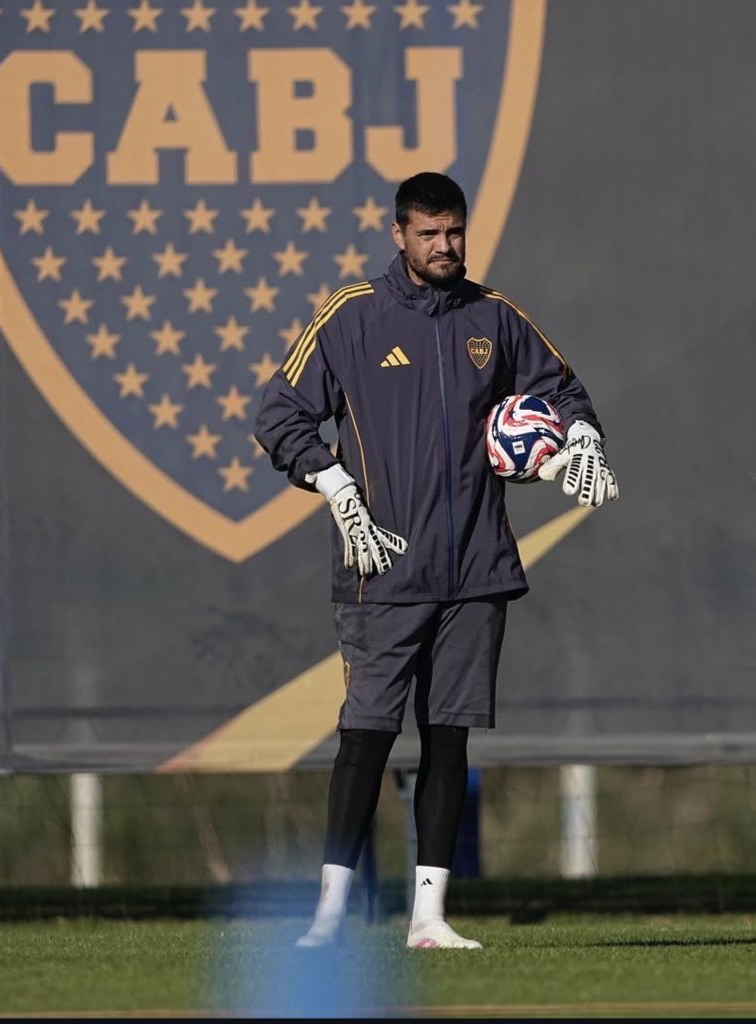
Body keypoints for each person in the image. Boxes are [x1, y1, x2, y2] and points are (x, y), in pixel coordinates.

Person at [254, 172, 618, 950]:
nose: (444, 246)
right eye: (428, 234)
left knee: (448, 739)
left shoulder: (495, 315)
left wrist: (580, 437)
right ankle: (328, 920)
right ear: (399, 235)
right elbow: (279, 416)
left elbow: (566, 393)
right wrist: (334, 483)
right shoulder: (353, 316)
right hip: (382, 570)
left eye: (453, 232)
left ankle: (429, 920)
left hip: (477, 572)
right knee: (365, 736)